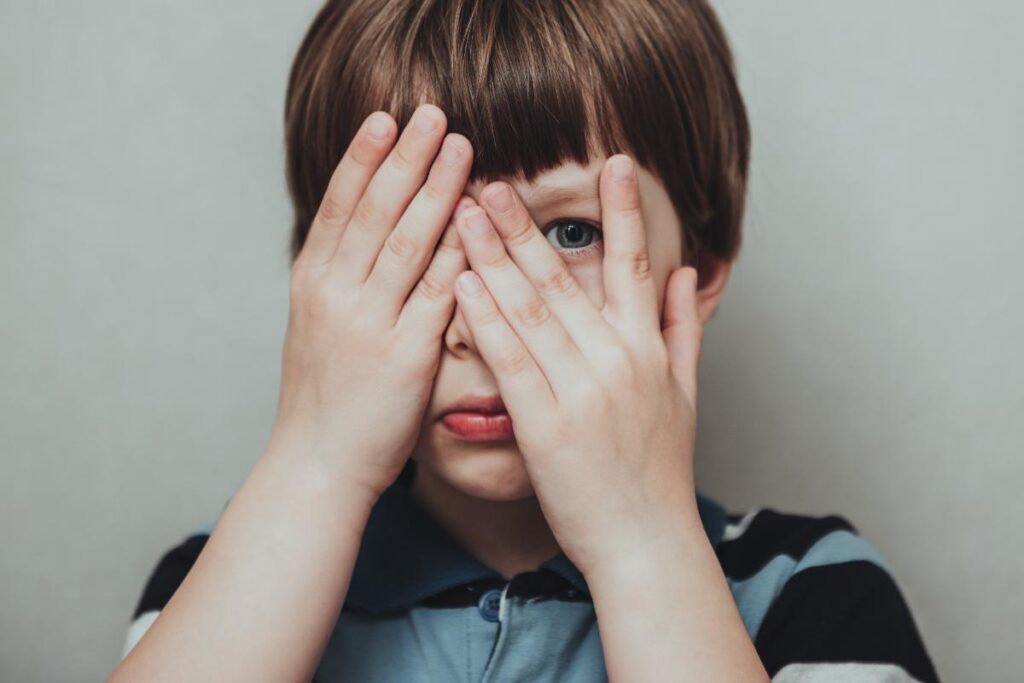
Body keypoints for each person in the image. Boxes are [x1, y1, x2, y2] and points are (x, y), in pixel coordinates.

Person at [109, 1, 940, 681]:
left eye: (572, 232)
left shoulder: (812, 587)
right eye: (414, 233)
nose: (479, 323)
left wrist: (640, 541)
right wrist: (316, 461)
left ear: (702, 270)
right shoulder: (222, 586)